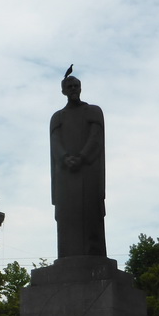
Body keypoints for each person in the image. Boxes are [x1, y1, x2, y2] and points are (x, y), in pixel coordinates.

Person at [49, 71, 107, 258]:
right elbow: (55, 143)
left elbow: (96, 139)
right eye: (69, 87)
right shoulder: (57, 117)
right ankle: (67, 255)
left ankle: (94, 255)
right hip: (65, 177)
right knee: (67, 218)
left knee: (90, 215)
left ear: (81, 88)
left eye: (76, 86)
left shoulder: (93, 111)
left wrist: (81, 157)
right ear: (63, 91)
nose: (73, 89)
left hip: (89, 172)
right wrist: (65, 158)